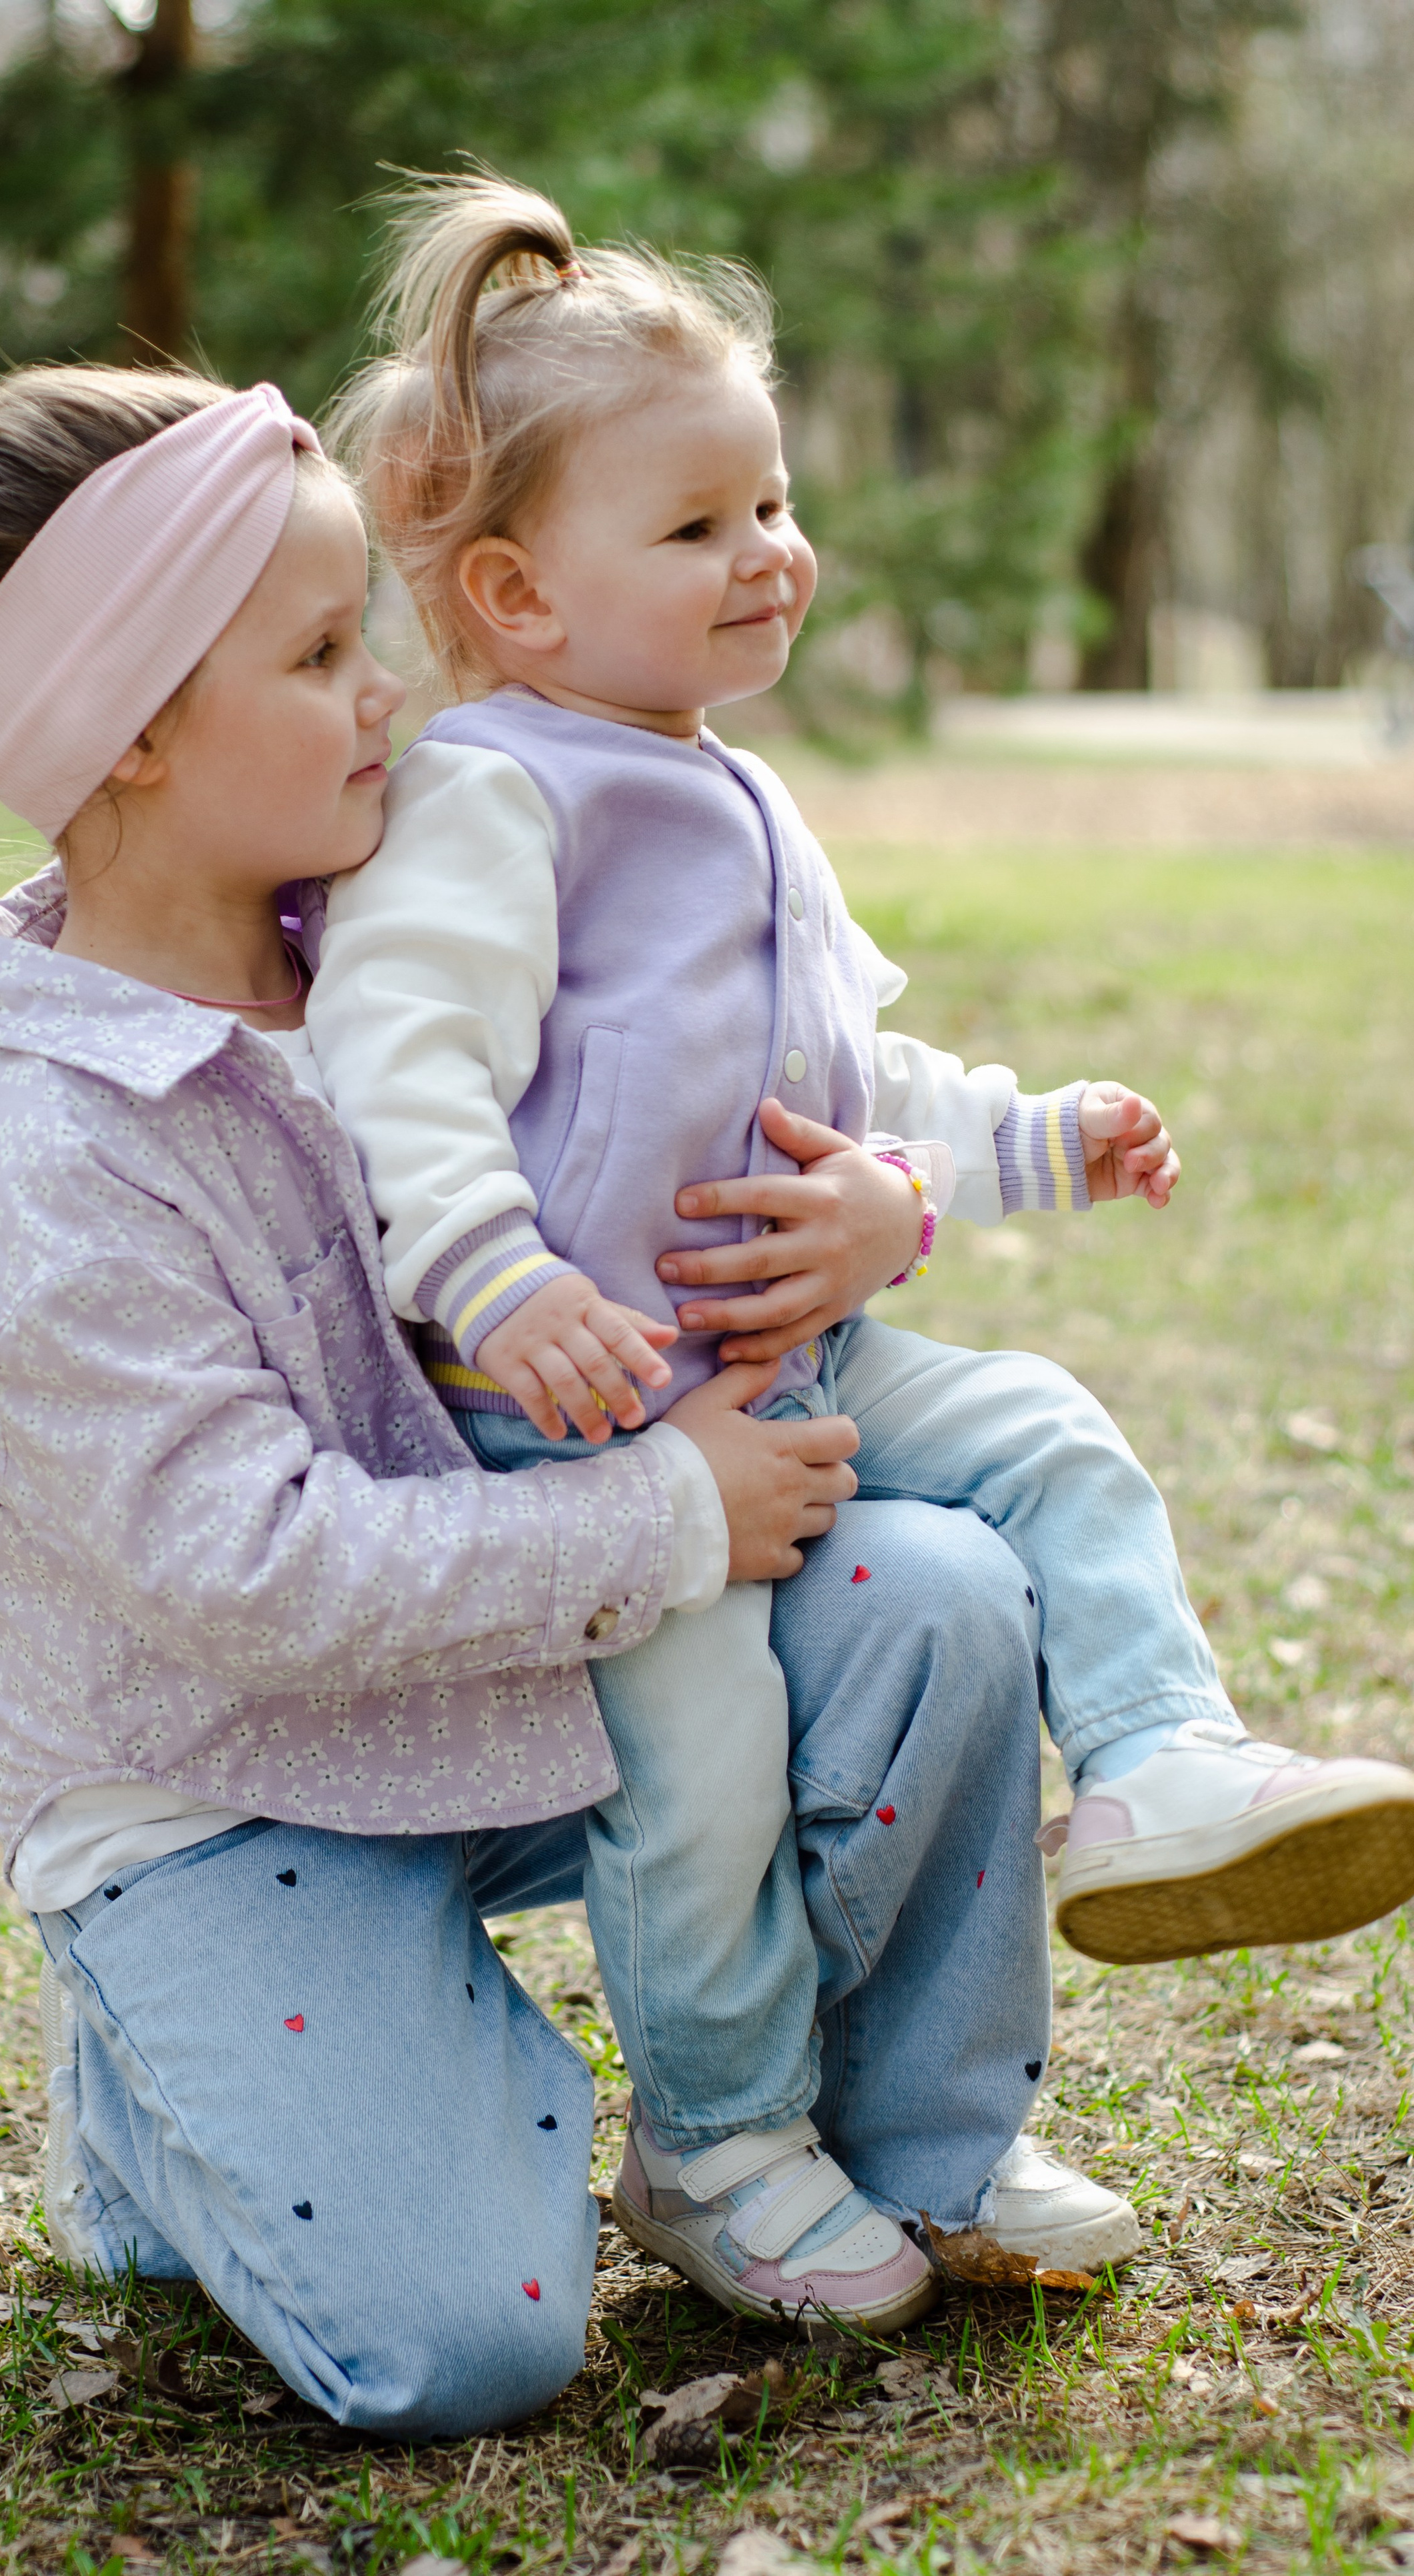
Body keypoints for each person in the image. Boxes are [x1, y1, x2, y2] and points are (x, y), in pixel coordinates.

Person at [0, 361, 1124, 2431]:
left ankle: (880, 2143)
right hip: (229, 1789)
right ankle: (170, 2100)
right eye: (322, 656)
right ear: (129, 735)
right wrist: (667, 1512)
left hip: (513, 1673)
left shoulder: (420, 918)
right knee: (467, 2340)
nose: (387, 694)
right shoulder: (76, 1167)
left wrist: (886, 1203)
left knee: (936, 1591)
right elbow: (261, 1575)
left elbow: (743, 1095)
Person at [311, 173, 1414, 2307]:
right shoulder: (496, 798)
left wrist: (1022, 1142)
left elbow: (852, 1075)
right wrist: (498, 1275)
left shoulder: (733, 789)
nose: (772, 552)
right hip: (591, 1412)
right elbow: (399, 1065)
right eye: (703, 522)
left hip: (796, 1361)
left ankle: (1166, 1759)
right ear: (521, 596)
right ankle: (719, 2137)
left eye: (775, 500)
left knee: (1047, 1433)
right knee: (702, 1747)